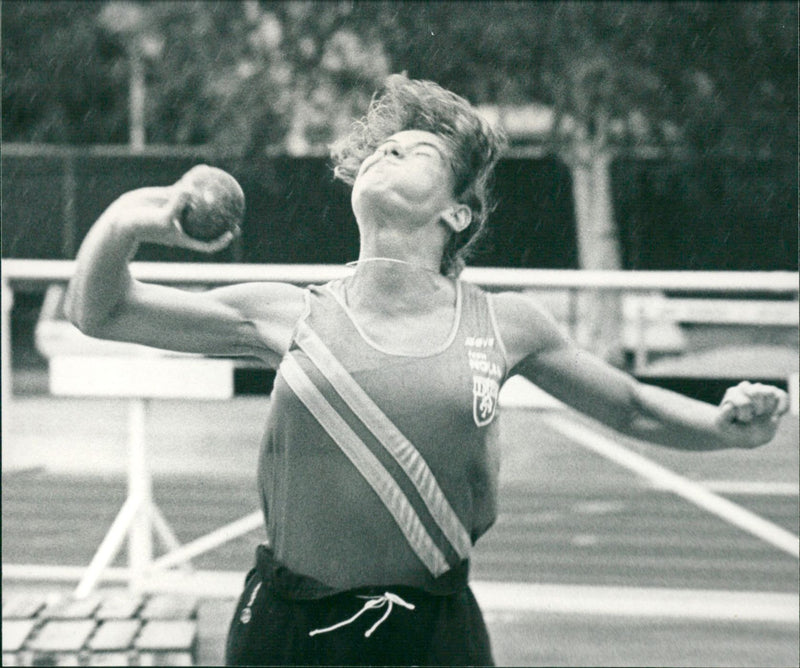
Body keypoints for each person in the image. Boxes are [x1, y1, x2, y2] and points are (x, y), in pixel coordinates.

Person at [65, 74, 789, 667]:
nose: (385, 155)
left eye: (413, 151)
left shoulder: (505, 324)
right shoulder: (287, 314)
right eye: (381, 150)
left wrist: (725, 429)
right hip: (290, 631)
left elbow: (630, 404)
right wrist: (130, 220)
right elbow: (102, 311)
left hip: (433, 633)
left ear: (458, 215)